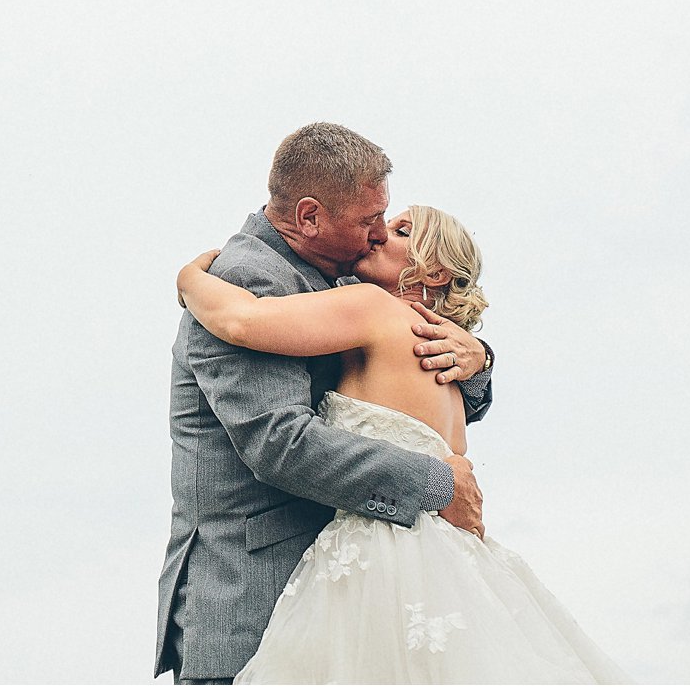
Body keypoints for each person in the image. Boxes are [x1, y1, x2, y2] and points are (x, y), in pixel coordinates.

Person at [178, 204, 629, 684]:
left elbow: (244, 321)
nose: (377, 234)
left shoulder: (371, 310)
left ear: (432, 268)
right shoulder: (447, 368)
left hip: (381, 556)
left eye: (400, 230)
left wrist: (189, 280)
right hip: (449, 564)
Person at [156, 123, 495, 684]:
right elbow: (279, 443)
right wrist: (436, 485)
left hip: (354, 599)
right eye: (370, 222)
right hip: (254, 605)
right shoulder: (248, 277)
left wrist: (477, 356)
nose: (378, 235)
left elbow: (410, 388)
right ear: (310, 216)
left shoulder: (344, 292)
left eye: (391, 224)